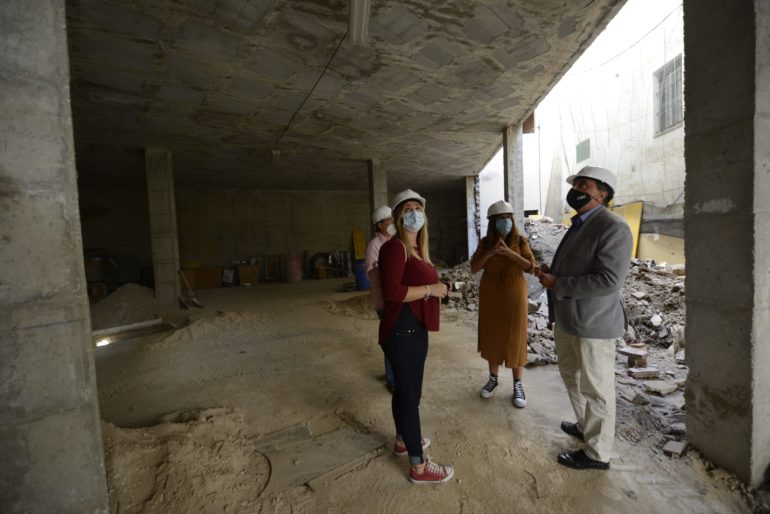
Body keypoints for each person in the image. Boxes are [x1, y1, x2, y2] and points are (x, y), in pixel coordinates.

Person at [538, 166, 633, 471]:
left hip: (593, 324)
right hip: (569, 319)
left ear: (602, 194)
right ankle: (584, 425)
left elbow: (608, 280)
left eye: (584, 184)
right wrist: (552, 275)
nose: (576, 188)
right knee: (571, 375)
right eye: (576, 183)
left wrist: (559, 284)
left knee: (597, 388)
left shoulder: (613, 226)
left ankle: (597, 453)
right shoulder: (578, 224)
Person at [378, 188, 454, 484]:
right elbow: (393, 293)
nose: (414, 213)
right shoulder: (395, 247)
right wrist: (430, 290)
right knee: (410, 397)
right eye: (407, 208)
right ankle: (419, 467)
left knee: (408, 393)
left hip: (414, 330)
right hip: (402, 331)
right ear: (398, 217)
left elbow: (418, 283)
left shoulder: (417, 249)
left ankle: (402, 439)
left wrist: (438, 289)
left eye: (418, 208)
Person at [470, 200, 536, 408]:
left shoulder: (521, 241)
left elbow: (531, 267)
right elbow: (474, 268)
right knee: (493, 334)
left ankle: (518, 384)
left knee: (516, 334)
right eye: (500, 219)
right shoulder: (485, 243)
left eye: (508, 218)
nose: (505, 222)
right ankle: (493, 379)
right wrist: (490, 253)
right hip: (490, 292)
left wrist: (509, 253)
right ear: (492, 222)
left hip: (515, 291)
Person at [365, 205, 396, 392]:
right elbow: (373, 275)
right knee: (390, 337)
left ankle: (394, 372)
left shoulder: (397, 241)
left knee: (396, 337)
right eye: (389, 220)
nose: (393, 223)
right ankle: (392, 380)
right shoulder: (374, 246)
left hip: (396, 296)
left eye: (393, 219)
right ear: (380, 225)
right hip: (384, 299)